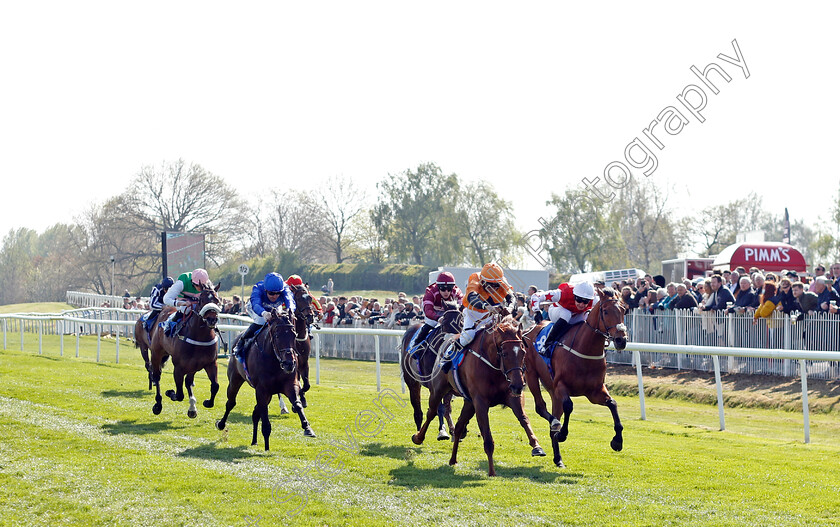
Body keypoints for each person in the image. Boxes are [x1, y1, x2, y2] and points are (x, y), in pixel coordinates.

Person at [439, 263, 513, 372]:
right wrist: (485, 306)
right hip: (473, 313)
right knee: (468, 336)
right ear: (482, 281)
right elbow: (472, 297)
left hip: (492, 314)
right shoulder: (475, 279)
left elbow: (512, 297)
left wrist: (510, 307)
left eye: (496, 285)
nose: (493, 288)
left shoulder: (501, 280)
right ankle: (448, 356)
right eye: (490, 285)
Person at [232, 272, 296, 359]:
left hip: (274, 307)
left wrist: (290, 310)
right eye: (271, 293)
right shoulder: (258, 288)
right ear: (265, 290)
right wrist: (264, 313)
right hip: (256, 307)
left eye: (278, 293)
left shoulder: (285, 289)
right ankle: (240, 344)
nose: (275, 296)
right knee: (261, 321)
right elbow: (256, 304)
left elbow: (290, 300)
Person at [412, 271, 464, 348]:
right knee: (431, 324)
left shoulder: (457, 292)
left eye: (449, 289)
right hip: (433, 309)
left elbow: (462, 309)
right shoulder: (430, 292)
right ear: (438, 287)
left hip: (449, 310)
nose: (446, 292)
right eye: (443, 289)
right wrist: (438, 318)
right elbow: (428, 311)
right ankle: (416, 344)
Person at [161, 268, 212, 336]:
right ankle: (170, 324)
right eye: (197, 285)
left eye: (202, 286)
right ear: (192, 281)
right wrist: (182, 303)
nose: (200, 289)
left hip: (199, 304)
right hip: (184, 303)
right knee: (186, 309)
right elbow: (166, 299)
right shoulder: (182, 282)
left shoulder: (208, 284)